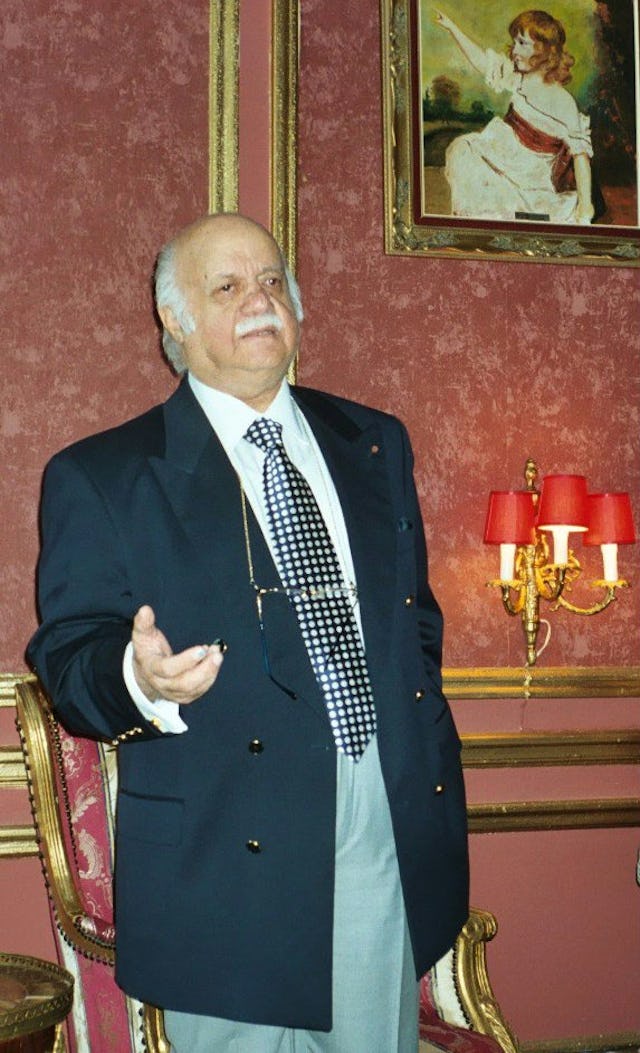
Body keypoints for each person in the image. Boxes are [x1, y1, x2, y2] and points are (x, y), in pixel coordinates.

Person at [28, 213, 469, 1053]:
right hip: (224, 853)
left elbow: (416, 619)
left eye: (272, 280)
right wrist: (139, 678)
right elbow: (68, 652)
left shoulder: (375, 441)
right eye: (226, 287)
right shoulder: (104, 474)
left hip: (379, 820)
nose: (259, 300)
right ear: (176, 325)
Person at [435, 8, 595, 224]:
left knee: (518, 213)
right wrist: (453, 28)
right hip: (502, 158)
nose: (514, 50)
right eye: (515, 42)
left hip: (532, 180)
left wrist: (586, 206)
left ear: (543, 51)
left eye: (522, 43)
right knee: (463, 151)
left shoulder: (563, 102)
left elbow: (580, 155)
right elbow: (482, 62)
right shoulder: (519, 79)